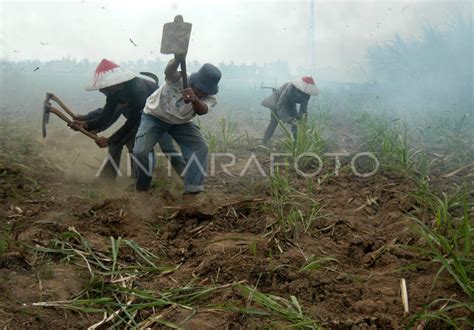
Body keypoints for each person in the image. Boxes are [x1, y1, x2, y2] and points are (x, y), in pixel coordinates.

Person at [70, 58, 186, 181]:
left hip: (162, 117)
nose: (101, 90)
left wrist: (110, 140)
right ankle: (121, 181)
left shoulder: (138, 90)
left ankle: (187, 178)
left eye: (104, 87)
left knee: (166, 148)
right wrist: (86, 125)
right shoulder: (114, 94)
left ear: (115, 83)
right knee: (128, 146)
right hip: (142, 119)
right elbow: (105, 116)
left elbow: (133, 122)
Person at [133, 55, 221, 194]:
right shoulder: (180, 78)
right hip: (155, 116)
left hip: (181, 123)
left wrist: (195, 100)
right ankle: (142, 187)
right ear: (194, 80)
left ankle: (192, 191)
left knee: (199, 147)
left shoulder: (210, 97)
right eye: (198, 88)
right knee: (140, 152)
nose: (200, 91)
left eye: (204, 90)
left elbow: (202, 110)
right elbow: (169, 72)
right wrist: (177, 59)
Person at [261, 76, 319, 145]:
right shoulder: (291, 87)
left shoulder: (307, 95)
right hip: (277, 101)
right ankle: (264, 143)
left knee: (296, 122)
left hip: (291, 104)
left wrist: (303, 122)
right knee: (274, 122)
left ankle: (296, 144)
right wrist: (288, 119)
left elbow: (303, 110)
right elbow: (281, 105)